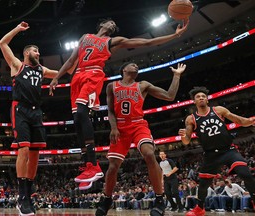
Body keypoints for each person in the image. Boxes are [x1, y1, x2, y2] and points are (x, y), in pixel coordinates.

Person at [49, 18, 189, 190]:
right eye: (110, 23)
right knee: (77, 120)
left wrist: (174, 35)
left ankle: (93, 164)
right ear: (101, 24)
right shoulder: (85, 37)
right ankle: (87, 164)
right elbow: (71, 61)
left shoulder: (113, 42)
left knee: (81, 114)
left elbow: (147, 42)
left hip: (93, 75)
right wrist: (56, 77)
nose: (113, 25)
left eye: (115, 25)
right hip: (77, 76)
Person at [95, 62, 187, 216]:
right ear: (124, 69)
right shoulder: (112, 86)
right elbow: (110, 110)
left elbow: (169, 96)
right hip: (120, 127)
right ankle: (107, 199)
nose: (136, 66)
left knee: (150, 154)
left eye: (137, 66)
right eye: (132, 65)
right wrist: (113, 127)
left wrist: (176, 76)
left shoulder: (143, 84)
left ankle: (159, 199)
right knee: (112, 167)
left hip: (138, 124)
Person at [0, 21, 58, 216]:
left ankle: (28, 194)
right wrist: (17, 29)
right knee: (23, 149)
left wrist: (80, 64)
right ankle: (22, 196)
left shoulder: (41, 70)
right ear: (26, 53)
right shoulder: (17, 65)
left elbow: (61, 73)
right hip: (20, 110)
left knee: (35, 154)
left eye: (39, 51)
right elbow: (2, 43)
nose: (38, 53)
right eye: (35, 51)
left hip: (36, 112)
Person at [178, 86, 255, 216]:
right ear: (194, 101)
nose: (201, 98)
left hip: (228, 151)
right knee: (203, 185)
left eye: (203, 96)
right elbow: (187, 141)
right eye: (198, 97)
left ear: (207, 100)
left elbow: (239, 120)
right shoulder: (191, 119)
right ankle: (200, 208)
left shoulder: (219, 110)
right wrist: (183, 136)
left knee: (246, 174)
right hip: (211, 155)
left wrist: (251, 121)